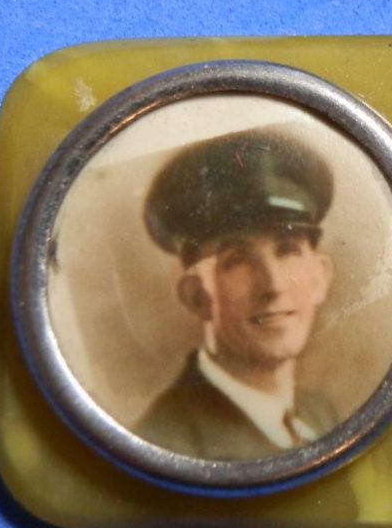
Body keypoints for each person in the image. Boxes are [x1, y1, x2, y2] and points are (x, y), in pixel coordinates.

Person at [133, 127, 338, 460]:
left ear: (320, 278)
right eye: (237, 260)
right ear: (196, 296)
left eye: (287, 250)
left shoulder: (320, 414)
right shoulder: (167, 446)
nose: (273, 285)